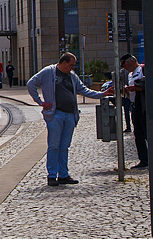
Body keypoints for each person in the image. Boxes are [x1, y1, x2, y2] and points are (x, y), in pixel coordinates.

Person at [26, 52, 105, 186]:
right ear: (63, 63)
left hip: (70, 114)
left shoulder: (72, 76)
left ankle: (63, 175)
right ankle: (52, 175)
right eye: (71, 64)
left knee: (64, 146)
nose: (73, 67)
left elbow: (83, 90)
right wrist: (40, 102)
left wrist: (102, 94)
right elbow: (31, 84)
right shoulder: (49, 72)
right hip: (55, 114)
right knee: (54, 145)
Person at [122, 54, 148, 169]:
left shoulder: (142, 70)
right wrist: (127, 92)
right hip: (134, 105)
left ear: (132, 61)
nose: (124, 67)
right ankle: (143, 159)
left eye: (125, 64)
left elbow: (147, 85)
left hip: (143, 106)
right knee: (138, 134)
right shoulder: (130, 74)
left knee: (147, 133)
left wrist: (135, 88)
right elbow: (130, 94)